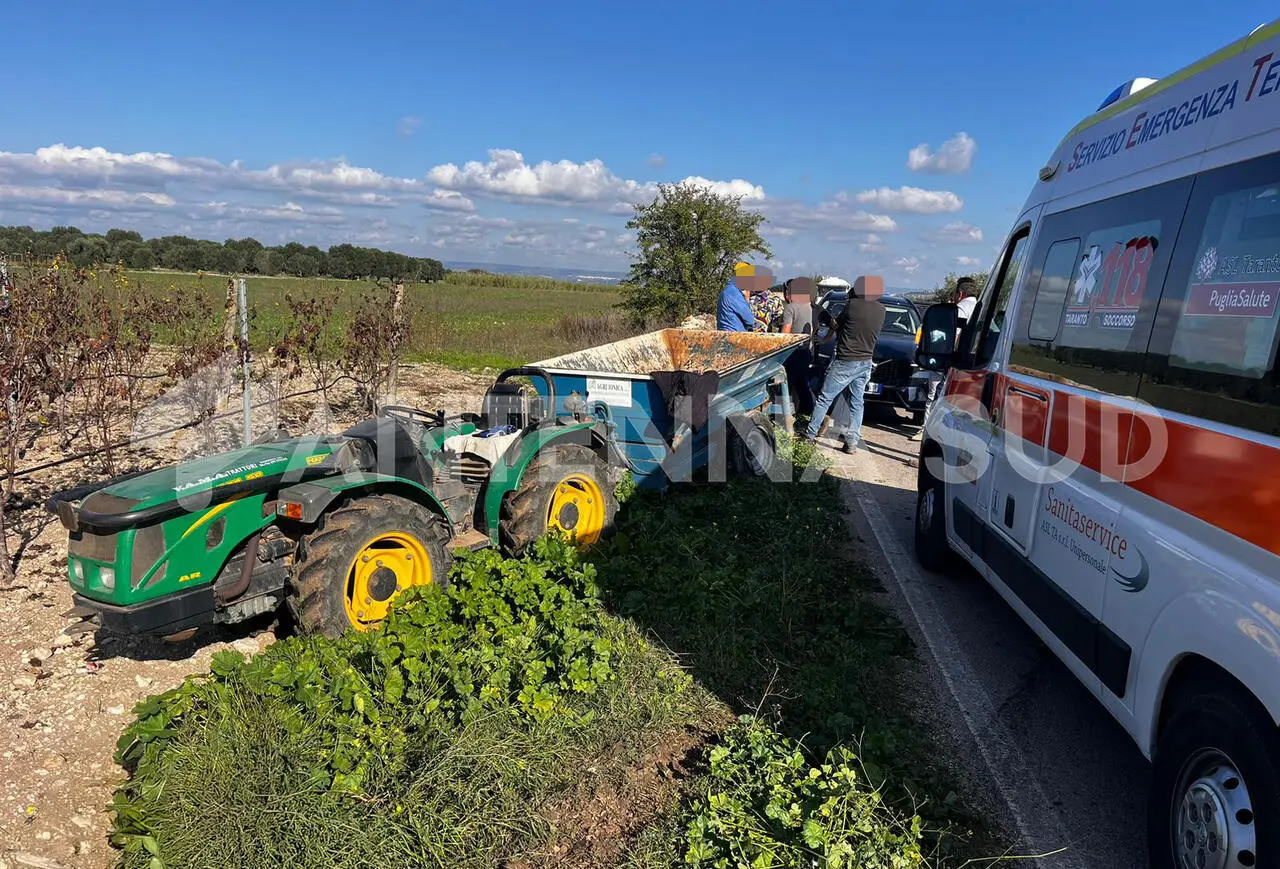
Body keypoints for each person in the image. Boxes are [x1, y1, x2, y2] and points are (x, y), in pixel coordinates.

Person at [803, 275, 886, 453]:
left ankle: (810, 435)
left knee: (825, 398)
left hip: (846, 359)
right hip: (866, 361)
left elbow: (836, 324)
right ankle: (852, 442)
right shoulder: (881, 309)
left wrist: (825, 335)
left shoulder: (852, 306)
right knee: (857, 402)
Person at [781, 277, 816, 415]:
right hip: (806, 351)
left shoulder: (790, 308)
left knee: (785, 385)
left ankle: (784, 417)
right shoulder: (809, 306)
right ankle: (807, 413)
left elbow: (785, 333)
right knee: (802, 384)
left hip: (793, 352)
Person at [716, 261, 757, 331]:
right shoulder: (734, 294)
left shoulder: (728, 291)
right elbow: (750, 320)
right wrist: (747, 300)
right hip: (734, 337)